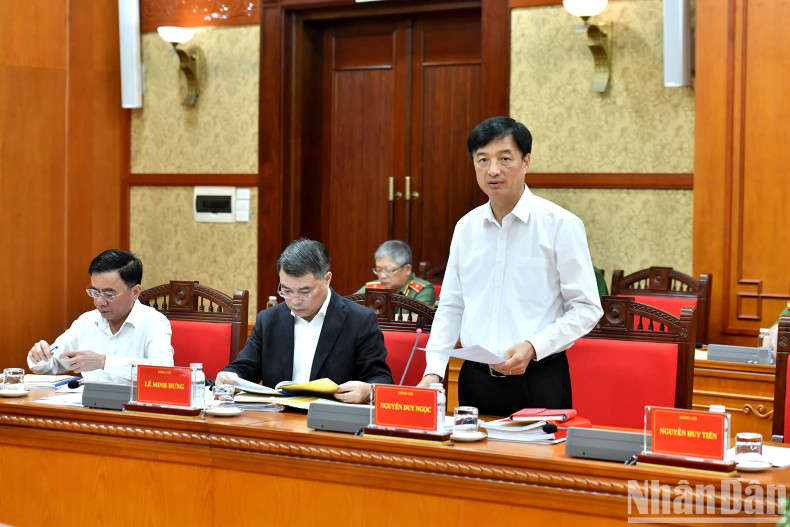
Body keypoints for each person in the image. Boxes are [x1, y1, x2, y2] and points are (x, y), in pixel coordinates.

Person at [417, 116, 604, 416]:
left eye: (505, 159)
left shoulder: (561, 225)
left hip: (540, 378)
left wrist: (533, 345)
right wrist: (433, 371)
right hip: (475, 379)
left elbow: (586, 308)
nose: (493, 170)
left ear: (526, 161)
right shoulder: (466, 228)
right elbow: (452, 305)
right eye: (483, 160)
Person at [217, 238, 393, 403]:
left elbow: (380, 378)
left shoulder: (359, 320)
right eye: (286, 291)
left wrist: (368, 391)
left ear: (327, 279)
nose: (295, 301)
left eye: (304, 292)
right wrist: (228, 376)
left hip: (329, 418)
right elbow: (245, 368)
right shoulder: (269, 320)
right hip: (276, 417)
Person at [27, 249, 173, 383]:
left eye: (109, 294)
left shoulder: (154, 322)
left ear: (135, 292)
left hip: (133, 403)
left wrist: (104, 362)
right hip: (87, 402)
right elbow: (52, 363)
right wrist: (39, 356)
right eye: (95, 292)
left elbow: (163, 372)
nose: (99, 301)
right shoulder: (86, 321)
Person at [355, 240, 436, 307]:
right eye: (379, 270)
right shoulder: (371, 288)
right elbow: (350, 307)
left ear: (407, 269)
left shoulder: (422, 290)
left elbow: (418, 318)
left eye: (389, 270)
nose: (382, 276)